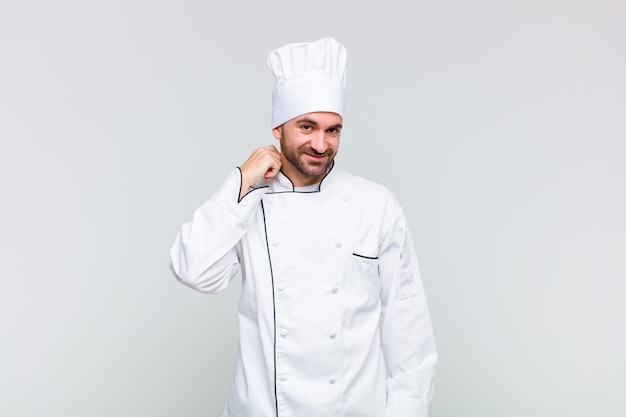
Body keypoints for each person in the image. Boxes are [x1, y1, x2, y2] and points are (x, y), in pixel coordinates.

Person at [169, 37, 437, 417]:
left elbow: (409, 330)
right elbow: (193, 270)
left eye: (333, 130)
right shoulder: (249, 203)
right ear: (278, 128)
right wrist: (240, 183)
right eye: (307, 127)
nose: (321, 143)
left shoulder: (376, 206)